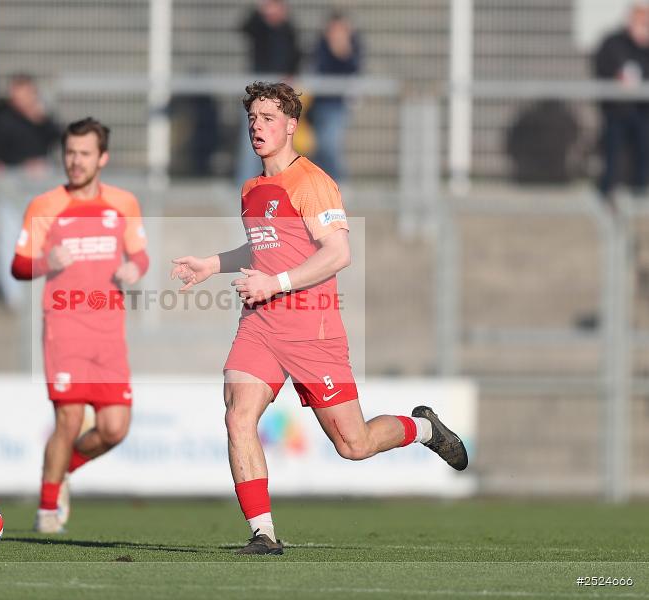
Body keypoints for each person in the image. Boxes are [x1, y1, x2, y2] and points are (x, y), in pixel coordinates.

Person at [171, 82, 467, 555]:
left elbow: (338, 253)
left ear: (292, 125)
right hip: (260, 326)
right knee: (238, 416)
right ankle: (263, 533)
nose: (257, 127)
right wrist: (213, 264)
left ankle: (424, 428)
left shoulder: (312, 182)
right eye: (252, 119)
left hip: (312, 330)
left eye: (268, 119)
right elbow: (265, 248)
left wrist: (276, 284)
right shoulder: (251, 189)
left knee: (353, 445)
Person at [11, 118, 149, 534]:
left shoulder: (124, 203)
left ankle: (64, 469)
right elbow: (18, 265)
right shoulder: (44, 205)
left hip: (109, 331)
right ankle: (47, 510)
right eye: (70, 152)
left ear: (102, 158)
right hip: (64, 327)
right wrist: (44, 263)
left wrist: (134, 268)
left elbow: (141, 255)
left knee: (114, 429)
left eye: (84, 153)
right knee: (69, 419)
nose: (75, 161)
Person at [0, 73, 60, 308]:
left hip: (38, 188)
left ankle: (42, 290)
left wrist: (40, 118)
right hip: (11, 185)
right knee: (8, 238)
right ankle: (13, 294)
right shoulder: (2, 119)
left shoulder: (41, 118)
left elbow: (57, 137)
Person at [235, 0, 301, 184]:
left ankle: (281, 182)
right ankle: (248, 184)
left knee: (281, 140)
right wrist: (259, 12)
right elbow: (244, 28)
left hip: (280, 93)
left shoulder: (288, 30)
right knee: (251, 138)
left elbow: (296, 57)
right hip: (259, 92)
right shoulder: (259, 27)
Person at [594, 2, 649, 200]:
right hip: (616, 110)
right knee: (613, 155)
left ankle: (640, 195)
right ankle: (607, 195)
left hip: (643, 112)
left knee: (643, 153)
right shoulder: (613, 42)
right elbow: (601, 67)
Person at [310, 12, 363, 181]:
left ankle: (339, 181)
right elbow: (321, 69)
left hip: (338, 104)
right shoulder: (321, 46)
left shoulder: (353, 46)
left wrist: (343, 50)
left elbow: (353, 68)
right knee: (320, 148)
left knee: (329, 145)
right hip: (319, 103)